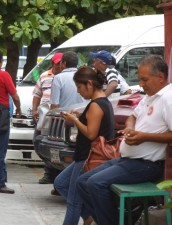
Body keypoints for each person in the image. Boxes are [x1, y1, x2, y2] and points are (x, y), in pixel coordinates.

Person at [76, 55, 172, 225]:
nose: (141, 84)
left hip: (146, 164)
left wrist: (144, 137)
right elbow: (132, 117)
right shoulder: (149, 97)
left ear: (161, 77)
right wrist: (130, 128)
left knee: (95, 184)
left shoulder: (168, 98)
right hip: (126, 159)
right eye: (140, 79)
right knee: (83, 182)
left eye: (144, 79)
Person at [54, 66, 115, 225]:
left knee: (74, 202)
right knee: (60, 183)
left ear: (89, 84)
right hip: (83, 155)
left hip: (88, 157)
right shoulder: (100, 103)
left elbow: (91, 133)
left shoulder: (96, 104)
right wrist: (80, 117)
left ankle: (86, 216)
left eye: (79, 87)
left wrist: (75, 120)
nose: (79, 92)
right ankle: (88, 216)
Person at [0, 48, 21, 194]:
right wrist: (18, 109)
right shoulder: (4, 75)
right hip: (1, 115)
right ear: (1, 62)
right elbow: (15, 96)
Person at [32, 52, 63, 185]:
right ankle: (49, 171)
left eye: (61, 64)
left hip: (59, 117)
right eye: (56, 64)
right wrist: (34, 109)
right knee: (38, 142)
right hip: (45, 116)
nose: (58, 66)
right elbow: (37, 94)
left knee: (55, 145)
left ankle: (52, 174)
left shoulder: (65, 78)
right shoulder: (45, 76)